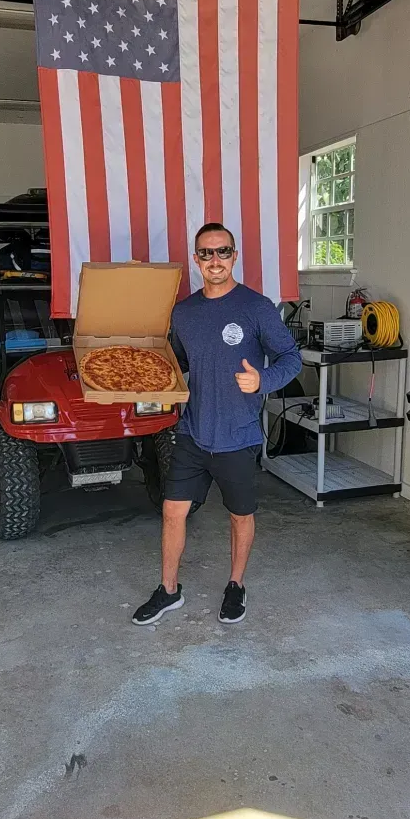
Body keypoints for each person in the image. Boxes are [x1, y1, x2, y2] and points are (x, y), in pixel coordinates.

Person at [133, 224, 302, 627]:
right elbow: (178, 363)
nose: (214, 261)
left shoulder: (256, 306)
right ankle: (169, 590)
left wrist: (264, 380)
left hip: (238, 434)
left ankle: (235, 585)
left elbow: (291, 357)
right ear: (196, 260)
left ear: (234, 256)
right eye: (206, 254)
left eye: (222, 252)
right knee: (173, 511)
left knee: (240, 515)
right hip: (192, 433)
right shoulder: (185, 312)